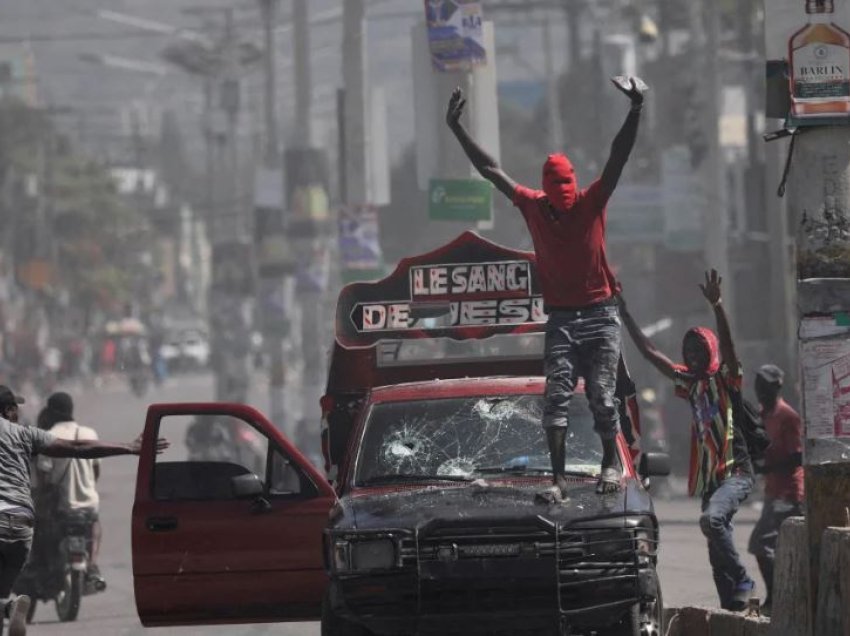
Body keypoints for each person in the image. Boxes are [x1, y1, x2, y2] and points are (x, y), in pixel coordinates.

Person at [446, 76, 646, 497]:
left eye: (568, 191)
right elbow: (490, 170)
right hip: (560, 318)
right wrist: (457, 129)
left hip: (600, 314)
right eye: (558, 194)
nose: (564, 200)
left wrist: (635, 110)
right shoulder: (533, 205)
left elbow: (617, 157)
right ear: (547, 191)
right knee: (554, 401)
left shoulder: (591, 202)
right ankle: (558, 480)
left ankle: (610, 465)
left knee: (603, 398)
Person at [618, 270, 757, 611]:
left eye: (699, 351)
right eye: (688, 351)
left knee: (711, 521)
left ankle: (743, 578)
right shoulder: (689, 384)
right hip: (712, 481)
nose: (693, 357)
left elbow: (729, 347)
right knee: (714, 547)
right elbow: (652, 354)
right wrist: (623, 314)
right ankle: (733, 607)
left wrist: (718, 306)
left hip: (736, 472)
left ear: (709, 352)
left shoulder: (726, 378)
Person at [0, 384, 166, 636]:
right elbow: (78, 448)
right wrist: (130, 447)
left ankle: (9, 607)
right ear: (9, 410)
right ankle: (11, 608)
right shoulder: (24, 434)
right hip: (21, 525)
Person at [33, 392, 106, 589]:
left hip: (62, 506)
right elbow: (95, 471)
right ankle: (92, 565)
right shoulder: (89, 434)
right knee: (95, 526)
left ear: (51, 411)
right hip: (89, 504)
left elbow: (43, 476)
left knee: (43, 532)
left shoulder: (48, 436)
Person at [747, 364, 803, 616]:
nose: (760, 390)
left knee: (761, 544)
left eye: (765, 385)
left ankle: (778, 597)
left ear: (777, 386)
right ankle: (781, 598)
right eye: (758, 384)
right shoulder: (763, 414)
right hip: (773, 492)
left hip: (788, 493)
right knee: (772, 546)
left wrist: (766, 468)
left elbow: (796, 457)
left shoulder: (787, 416)